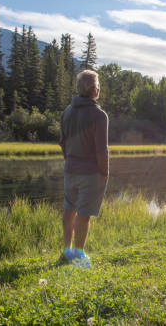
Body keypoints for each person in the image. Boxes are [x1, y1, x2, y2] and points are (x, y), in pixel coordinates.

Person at [57, 70, 109, 266]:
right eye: (98, 86)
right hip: (91, 173)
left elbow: (62, 142)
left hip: (70, 169)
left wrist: (69, 160)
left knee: (69, 209)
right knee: (83, 214)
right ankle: (78, 256)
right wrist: (105, 172)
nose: (99, 89)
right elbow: (101, 151)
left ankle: (67, 251)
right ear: (94, 89)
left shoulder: (67, 112)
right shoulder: (99, 115)